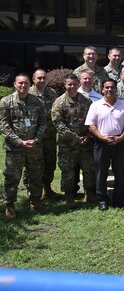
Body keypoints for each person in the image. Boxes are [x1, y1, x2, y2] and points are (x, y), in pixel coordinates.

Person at [0, 73, 47, 219]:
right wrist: (20, 142)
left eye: (26, 83)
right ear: (14, 84)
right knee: (12, 177)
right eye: (20, 83)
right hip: (15, 148)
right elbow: (4, 126)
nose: (23, 85)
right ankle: (10, 205)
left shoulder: (37, 102)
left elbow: (43, 122)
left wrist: (36, 139)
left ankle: (35, 200)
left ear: (29, 84)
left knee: (35, 174)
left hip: (34, 147)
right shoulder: (6, 102)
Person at [86, 79, 124, 211]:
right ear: (102, 89)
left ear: (116, 89)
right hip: (101, 143)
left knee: (120, 172)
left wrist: (120, 138)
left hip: (119, 143)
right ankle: (102, 200)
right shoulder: (95, 105)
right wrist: (101, 137)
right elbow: (91, 125)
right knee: (101, 172)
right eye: (106, 87)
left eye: (112, 87)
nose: (109, 90)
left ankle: (118, 199)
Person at [51, 74, 96, 209]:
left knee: (89, 169)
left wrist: (88, 135)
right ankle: (69, 196)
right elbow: (58, 124)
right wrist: (75, 138)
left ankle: (89, 193)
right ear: (65, 85)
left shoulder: (86, 101)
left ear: (78, 85)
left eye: (74, 84)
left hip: (85, 143)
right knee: (68, 171)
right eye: (69, 84)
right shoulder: (59, 102)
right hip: (68, 145)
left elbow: (92, 120)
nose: (72, 87)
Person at [29, 68, 60, 200]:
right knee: (34, 164)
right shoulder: (28, 93)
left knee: (50, 163)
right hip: (33, 136)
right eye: (39, 78)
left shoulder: (51, 93)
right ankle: (33, 193)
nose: (42, 80)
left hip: (49, 135)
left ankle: (47, 189)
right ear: (33, 79)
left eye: (44, 78)